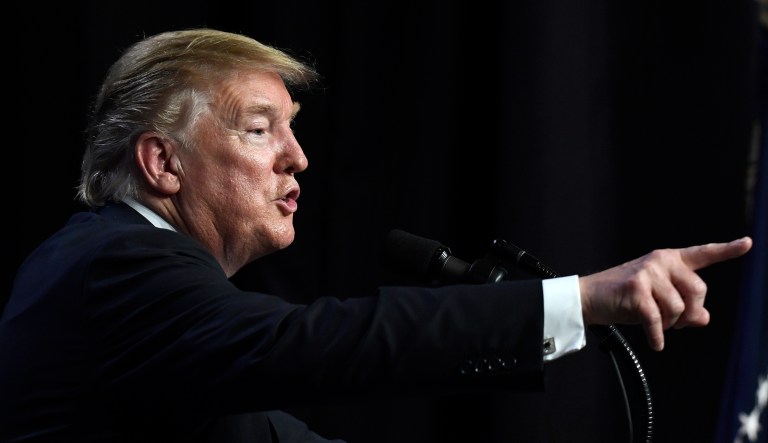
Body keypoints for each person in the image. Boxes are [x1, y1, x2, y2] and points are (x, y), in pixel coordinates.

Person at [0, 28, 753, 443]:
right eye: (261, 130)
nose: (299, 157)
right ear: (162, 162)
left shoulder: (164, 315)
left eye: (292, 131)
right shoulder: (114, 263)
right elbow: (320, 342)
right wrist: (582, 301)